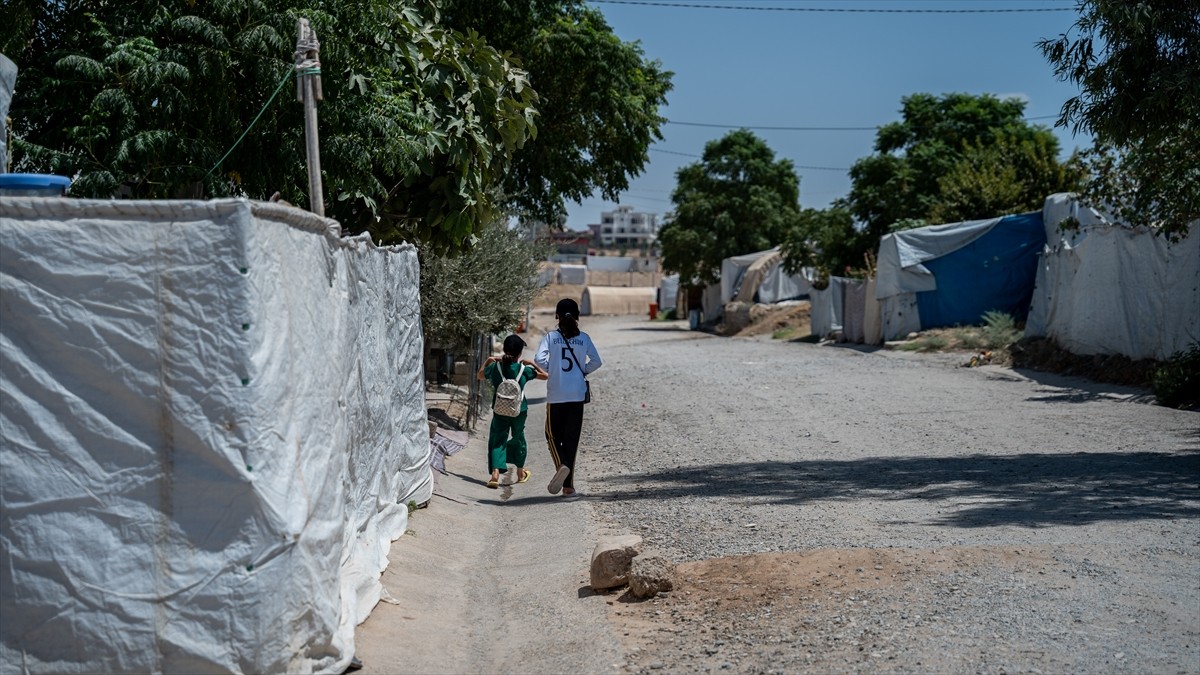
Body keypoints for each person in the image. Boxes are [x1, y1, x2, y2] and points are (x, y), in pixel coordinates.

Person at [535, 298, 602, 497]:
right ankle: (568, 486)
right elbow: (596, 362)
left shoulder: (551, 337)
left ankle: (561, 465)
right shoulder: (584, 338)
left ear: (557, 316)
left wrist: (553, 370)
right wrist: (582, 371)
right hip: (577, 394)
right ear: (577, 317)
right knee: (571, 439)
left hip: (556, 394)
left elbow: (539, 359)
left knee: (552, 435)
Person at [478, 334, 547, 489]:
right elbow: (546, 376)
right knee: (518, 437)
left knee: (498, 439)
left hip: (499, 410)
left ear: (504, 350)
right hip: (519, 410)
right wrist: (532, 364)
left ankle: (495, 475)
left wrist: (489, 360)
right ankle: (520, 473)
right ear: (520, 353)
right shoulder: (524, 369)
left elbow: (480, 376)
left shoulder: (495, 367)